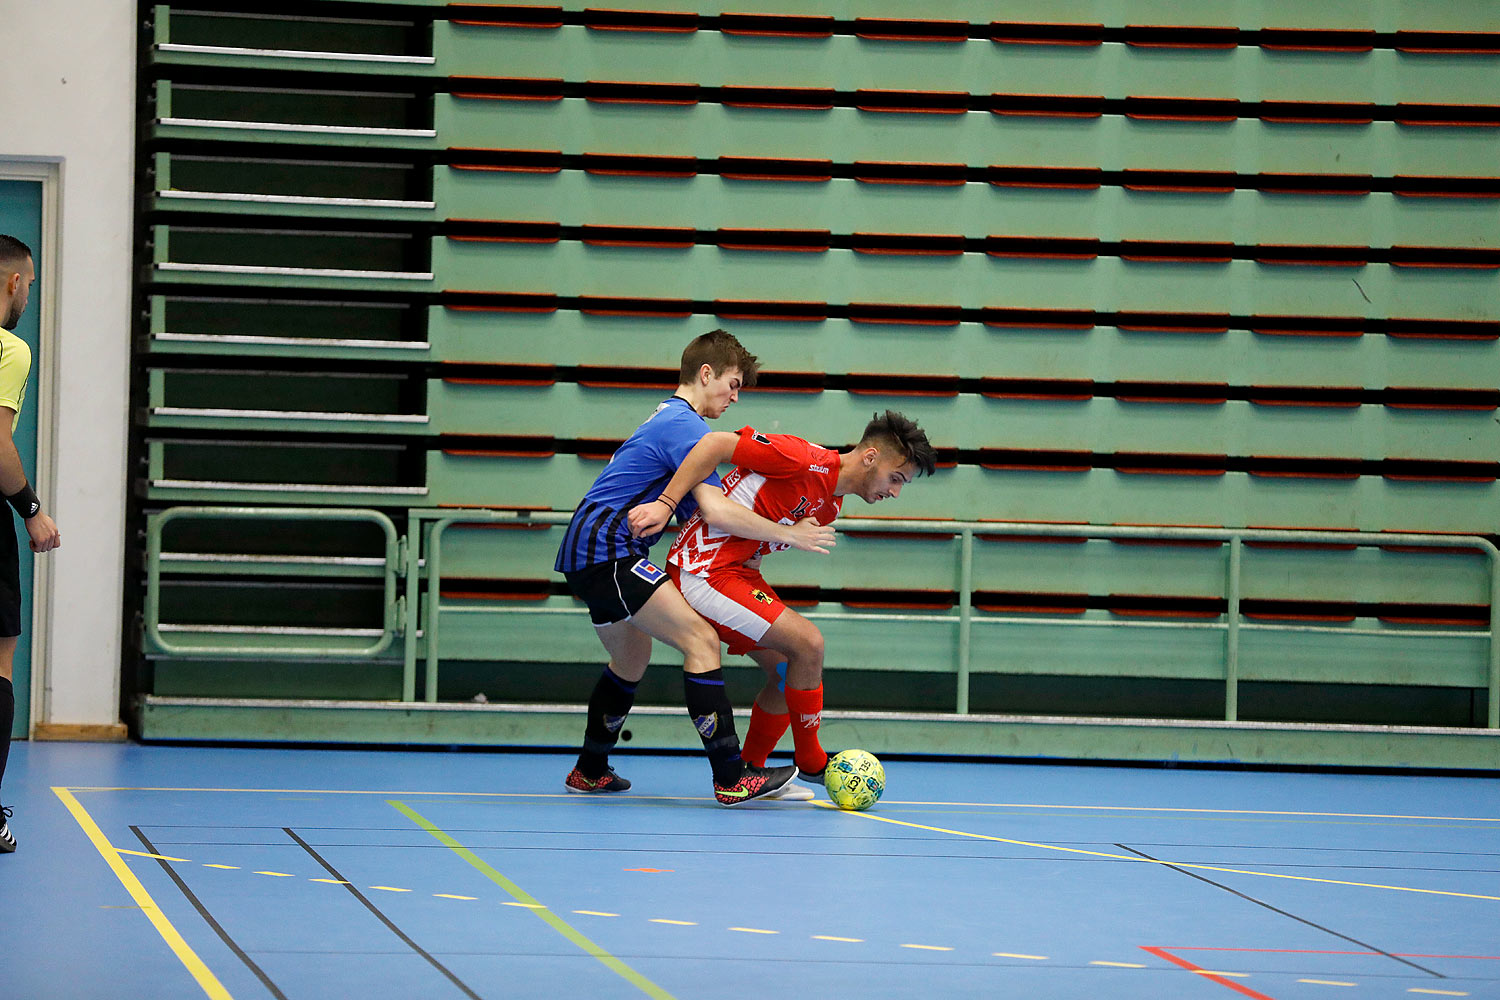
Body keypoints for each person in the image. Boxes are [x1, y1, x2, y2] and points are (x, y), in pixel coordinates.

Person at [554, 330, 835, 805]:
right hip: (608, 547)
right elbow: (717, 511)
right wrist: (791, 532)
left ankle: (590, 768)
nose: (735, 396)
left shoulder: (671, 419)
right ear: (705, 374)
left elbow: (703, 518)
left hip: (588, 546)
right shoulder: (688, 428)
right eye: (732, 382)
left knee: (630, 658)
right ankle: (731, 776)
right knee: (700, 640)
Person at [629, 410, 935, 788]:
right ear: (870, 457)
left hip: (736, 572)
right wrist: (666, 503)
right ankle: (810, 760)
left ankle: (751, 768)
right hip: (702, 569)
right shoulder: (802, 458)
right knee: (809, 644)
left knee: (786, 673)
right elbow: (714, 444)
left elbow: (756, 531)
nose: (895, 492)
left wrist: (767, 543)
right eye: (896, 478)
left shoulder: (830, 505)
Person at [0, 235, 61, 854]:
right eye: (32, 282)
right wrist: (32, 511)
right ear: (15, 283)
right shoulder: (9, 348)